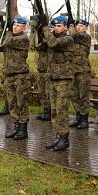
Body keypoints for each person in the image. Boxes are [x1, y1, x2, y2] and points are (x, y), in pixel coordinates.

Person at [0, 17, 30, 140]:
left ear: (24, 28)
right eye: (14, 25)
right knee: (12, 103)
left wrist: (7, 31)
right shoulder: (9, 38)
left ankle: (23, 129)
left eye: (19, 26)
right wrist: (2, 29)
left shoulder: (23, 39)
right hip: (9, 75)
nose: (15, 27)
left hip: (21, 76)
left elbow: (8, 41)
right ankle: (16, 126)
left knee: (21, 103)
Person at [42, 15, 74, 151]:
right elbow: (39, 45)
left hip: (64, 80)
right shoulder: (52, 37)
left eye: (59, 26)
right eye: (54, 26)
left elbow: (53, 44)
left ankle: (64, 138)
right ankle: (58, 136)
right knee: (54, 111)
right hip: (53, 79)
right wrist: (38, 30)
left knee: (61, 110)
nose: (56, 28)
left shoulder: (68, 39)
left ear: (66, 27)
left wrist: (45, 29)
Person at [69, 19, 92, 130]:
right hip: (73, 70)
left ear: (86, 28)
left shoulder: (86, 37)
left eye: (82, 26)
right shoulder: (72, 38)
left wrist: (71, 25)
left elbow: (73, 33)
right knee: (74, 95)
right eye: (77, 25)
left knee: (83, 96)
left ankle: (84, 119)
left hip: (83, 71)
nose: (79, 27)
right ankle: (78, 115)